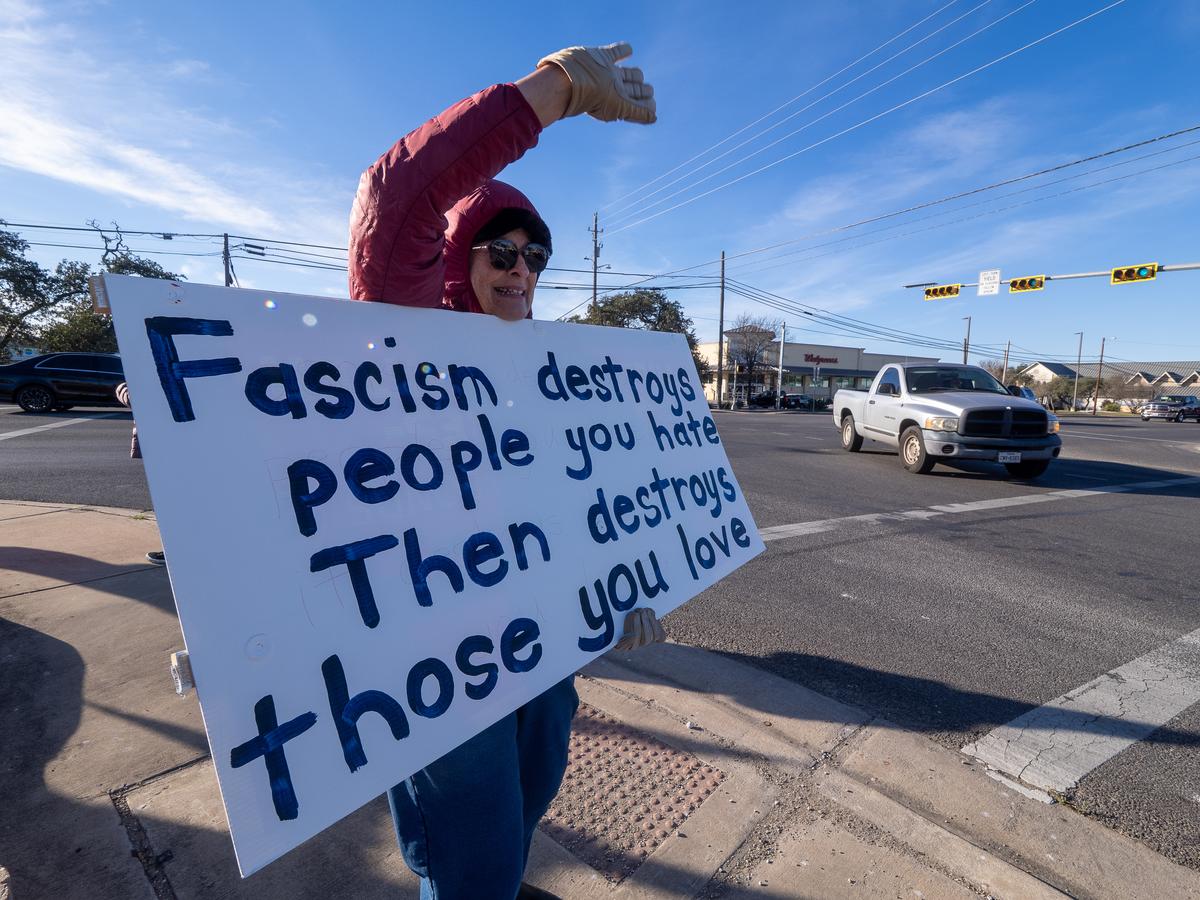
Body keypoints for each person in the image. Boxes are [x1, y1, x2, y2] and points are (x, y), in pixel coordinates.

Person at [347, 44, 665, 900]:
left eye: (536, 256)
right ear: (458, 258)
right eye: (501, 251)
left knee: (520, 818)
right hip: (437, 664)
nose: (522, 270)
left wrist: (620, 587)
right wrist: (551, 95)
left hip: (541, 646)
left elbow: (580, 495)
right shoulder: (403, 338)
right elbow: (396, 196)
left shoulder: (541, 368)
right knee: (473, 863)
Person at [115, 382, 165, 566]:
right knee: (172, 501)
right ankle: (176, 548)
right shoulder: (144, 366)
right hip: (162, 443)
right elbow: (126, 392)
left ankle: (179, 549)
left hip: (174, 442)